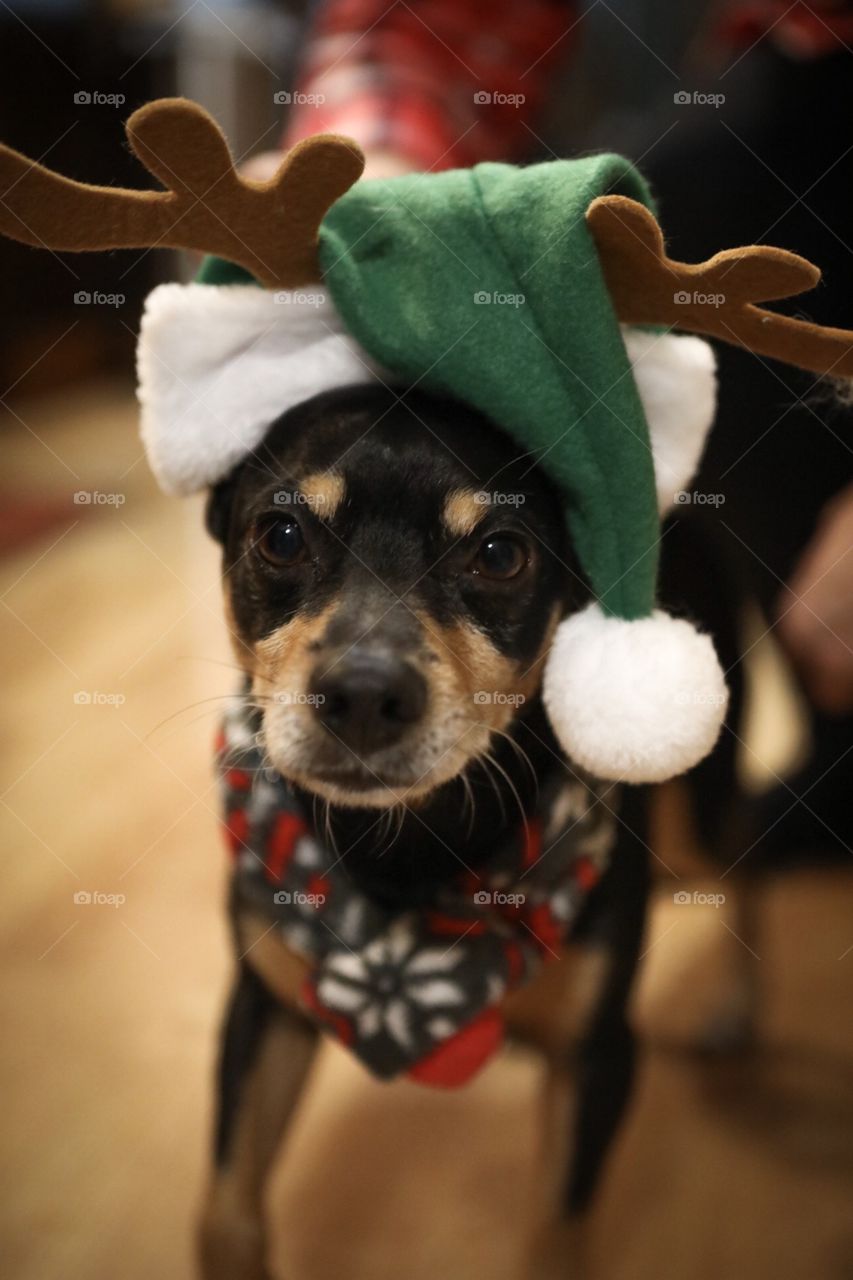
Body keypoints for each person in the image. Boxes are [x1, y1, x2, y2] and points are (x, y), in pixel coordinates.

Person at [250, 0, 853, 857]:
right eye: (280, 539)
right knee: (694, 205)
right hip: (781, 97)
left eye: (496, 555)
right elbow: (428, 26)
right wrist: (364, 176)